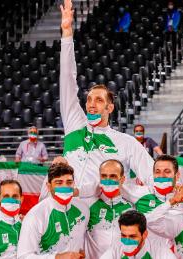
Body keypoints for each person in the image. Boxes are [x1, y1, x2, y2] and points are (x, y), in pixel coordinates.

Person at [50, 0, 154, 200]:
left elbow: (151, 176)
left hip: (102, 219)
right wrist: (67, 34)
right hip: (66, 210)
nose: (91, 103)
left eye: (98, 100)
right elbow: (67, 80)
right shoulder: (74, 125)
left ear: (110, 107)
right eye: (89, 99)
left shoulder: (126, 143)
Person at [17, 163, 89, 259]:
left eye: (69, 182)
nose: (65, 187)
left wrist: (80, 251)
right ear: (49, 186)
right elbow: (23, 256)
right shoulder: (36, 215)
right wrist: (57, 257)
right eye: (59, 183)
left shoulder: (83, 208)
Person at [85, 159, 134, 258]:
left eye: (113, 176)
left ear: (122, 179)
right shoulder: (87, 205)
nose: (108, 180)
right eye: (104, 176)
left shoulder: (132, 208)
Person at [100, 210, 176, 259]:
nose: (127, 241)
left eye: (132, 236)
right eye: (123, 235)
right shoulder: (116, 247)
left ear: (145, 234)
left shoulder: (159, 250)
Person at [164, 1, 180, 65]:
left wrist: (173, 27)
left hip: (174, 30)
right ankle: (167, 57)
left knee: (174, 43)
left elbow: (177, 20)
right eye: (169, 5)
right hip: (167, 30)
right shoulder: (166, 12)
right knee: (167, 44)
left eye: (171, 4)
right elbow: (165, 21)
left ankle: (174, 56)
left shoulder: (176, 12)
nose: (170, 6)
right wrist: (167, 28)